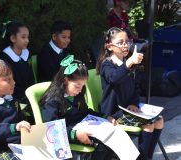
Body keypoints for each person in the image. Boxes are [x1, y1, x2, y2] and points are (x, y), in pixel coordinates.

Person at [96, 27, 164, 160]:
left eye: (127, 41)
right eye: (120, 42)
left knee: (159, 121)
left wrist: (133, 103)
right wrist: (129, 63)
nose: (125, 45)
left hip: (128, 109)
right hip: (113, 112)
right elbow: (114, 78)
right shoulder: (107, 64)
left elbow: (136, 88)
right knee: (148, 125)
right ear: (110, 46)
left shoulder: (128, 64)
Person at [40, 55, 116, 160]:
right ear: (66, 80)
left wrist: (104, 117)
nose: (80, 90)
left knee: (111, 138)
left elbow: (85, 112)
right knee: (101, 145)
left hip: (81, 127)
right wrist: (75, 134)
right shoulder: (52, 100)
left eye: (82, 86)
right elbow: (52, 130)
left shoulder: (77, 94)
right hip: (67, 135)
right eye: (77, 86)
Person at [0, 21, 34, 104]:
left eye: (27, 37)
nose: (27, 40)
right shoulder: (5, 57)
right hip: (12, 95)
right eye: (23, 37)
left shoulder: (26, 53)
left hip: (27, 94)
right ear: (13, 38)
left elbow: (30, 77)